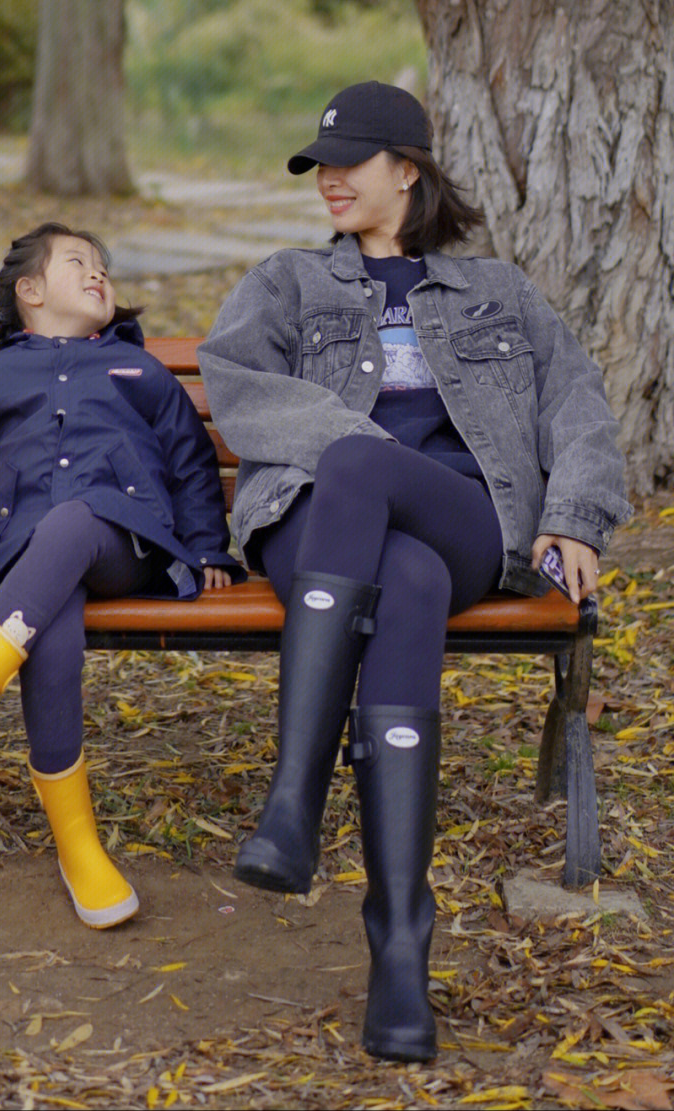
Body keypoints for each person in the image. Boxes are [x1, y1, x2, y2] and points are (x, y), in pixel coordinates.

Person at [198, 82, 632, 1063]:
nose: (331, 179)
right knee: (400, 565)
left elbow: (579, 405)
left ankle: (294, 804)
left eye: (352, 160)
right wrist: (361, 447)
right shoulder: (287, 282)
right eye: (321, 164)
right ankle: (401, 947)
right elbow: (239, 385)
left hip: (462, 521)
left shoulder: (499, 291)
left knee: (377, 486)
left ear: (411, 170)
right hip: (312, 523)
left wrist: (574, 518)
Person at [0, 222, 243, 928]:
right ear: (29, 291)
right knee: (50, 634)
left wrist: (208, 549)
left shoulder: (140, 372)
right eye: (78, 263)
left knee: (76, 520)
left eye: (104, 268)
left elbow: (189, 465)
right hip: (16, 548)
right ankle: (78, 843)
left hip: (122, 539)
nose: (98, 275)